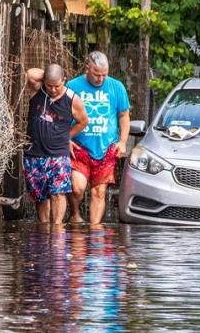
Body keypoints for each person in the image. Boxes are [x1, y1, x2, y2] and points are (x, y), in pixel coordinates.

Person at [66, 51, 131, 224]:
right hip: (79, 147)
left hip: (105, 148)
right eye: (96, 74)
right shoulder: (72, 86)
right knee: (77, 188)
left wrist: (123, 142)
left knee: (99, 191)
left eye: (104, 75)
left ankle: (95, 232)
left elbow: (124, 116)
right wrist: (66, 139)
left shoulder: (116, 87)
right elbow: (61, 116)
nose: (101, 79)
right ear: (87, 68)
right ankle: (74, 213)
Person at [23, 64, 89, 224]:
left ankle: (58, 228)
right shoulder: (38, 91)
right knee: (40, 195)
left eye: (57, 86)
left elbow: (83, 121)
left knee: (58, 193)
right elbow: (29, 74)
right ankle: (44, 228)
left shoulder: (72, 99)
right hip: (35, 154)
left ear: (64, 81)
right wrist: (47, 75)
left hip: (58, 155)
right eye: (49, 85)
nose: (53, 90)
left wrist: (67, 136)